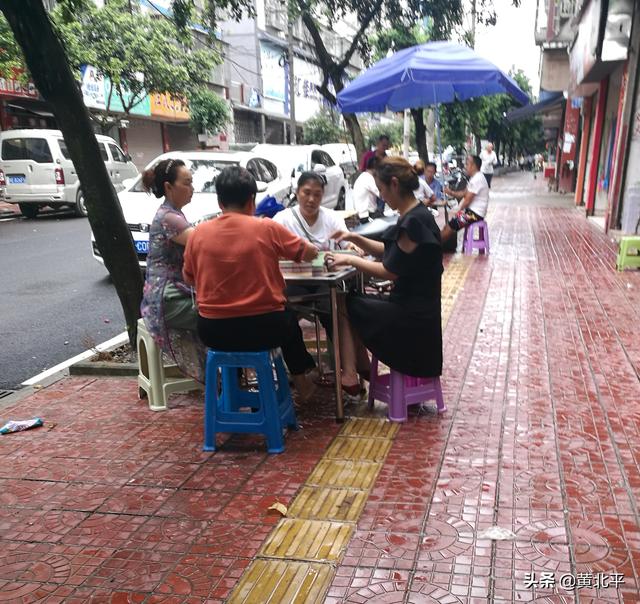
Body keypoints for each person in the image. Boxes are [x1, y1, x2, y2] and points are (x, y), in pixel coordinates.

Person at [183, 166, 319, 400]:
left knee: (241, 325)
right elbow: (309, 253)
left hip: (213, 331)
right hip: (265, 329)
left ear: (219, 202)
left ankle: (231, 394)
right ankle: (302, 382)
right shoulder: (266, 227)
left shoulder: (198, 233)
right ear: (251, 201)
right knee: (288, 318)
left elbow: (189, 277)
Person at [325, 156, 443, 382]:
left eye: (382, 189)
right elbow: (389, 251)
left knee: (344, 303)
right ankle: (360, 367)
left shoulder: (413, 222)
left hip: (411, 316)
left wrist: (349, 260)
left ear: (395, 184)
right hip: (416, 308)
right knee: (352, 300)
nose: (382, 196)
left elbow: (390, 270)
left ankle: (353, 371)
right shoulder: (414, 215)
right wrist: (353, 237)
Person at [140, 158, 206, 381]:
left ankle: (225, 378)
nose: (192, 188)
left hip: (176, 292)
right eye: (186, 183)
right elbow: (205, 242)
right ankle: (225, 378)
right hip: (165, 298)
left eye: (192, 182)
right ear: (169, 187)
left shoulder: (173, 213)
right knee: (220, 315)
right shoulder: (169, 217)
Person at [275, 172, 349, 249]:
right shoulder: (282, 220)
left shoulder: (333, 218)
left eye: (317, 195)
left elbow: (348, 244)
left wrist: (351, 246)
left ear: (322, 195)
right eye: (307, 193)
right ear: (297, 192)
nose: (311, 199)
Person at [441, 155, 489, 242]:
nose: (465, 167)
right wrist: (450, 192)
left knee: (449, 228)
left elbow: (467, 200)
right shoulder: (474, 178)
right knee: (448, 226)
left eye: (467, 164)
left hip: (474, 215)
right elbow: (463, 193)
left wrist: (458, 211)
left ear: (473, 166)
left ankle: (433, 248)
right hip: (471, 213)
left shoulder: (477, 179)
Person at [353, 156, 383, 222]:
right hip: (367, 215)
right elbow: (382, 195)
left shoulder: (363, 176)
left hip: (363, 214)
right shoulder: (369, 179)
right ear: (376, 169)